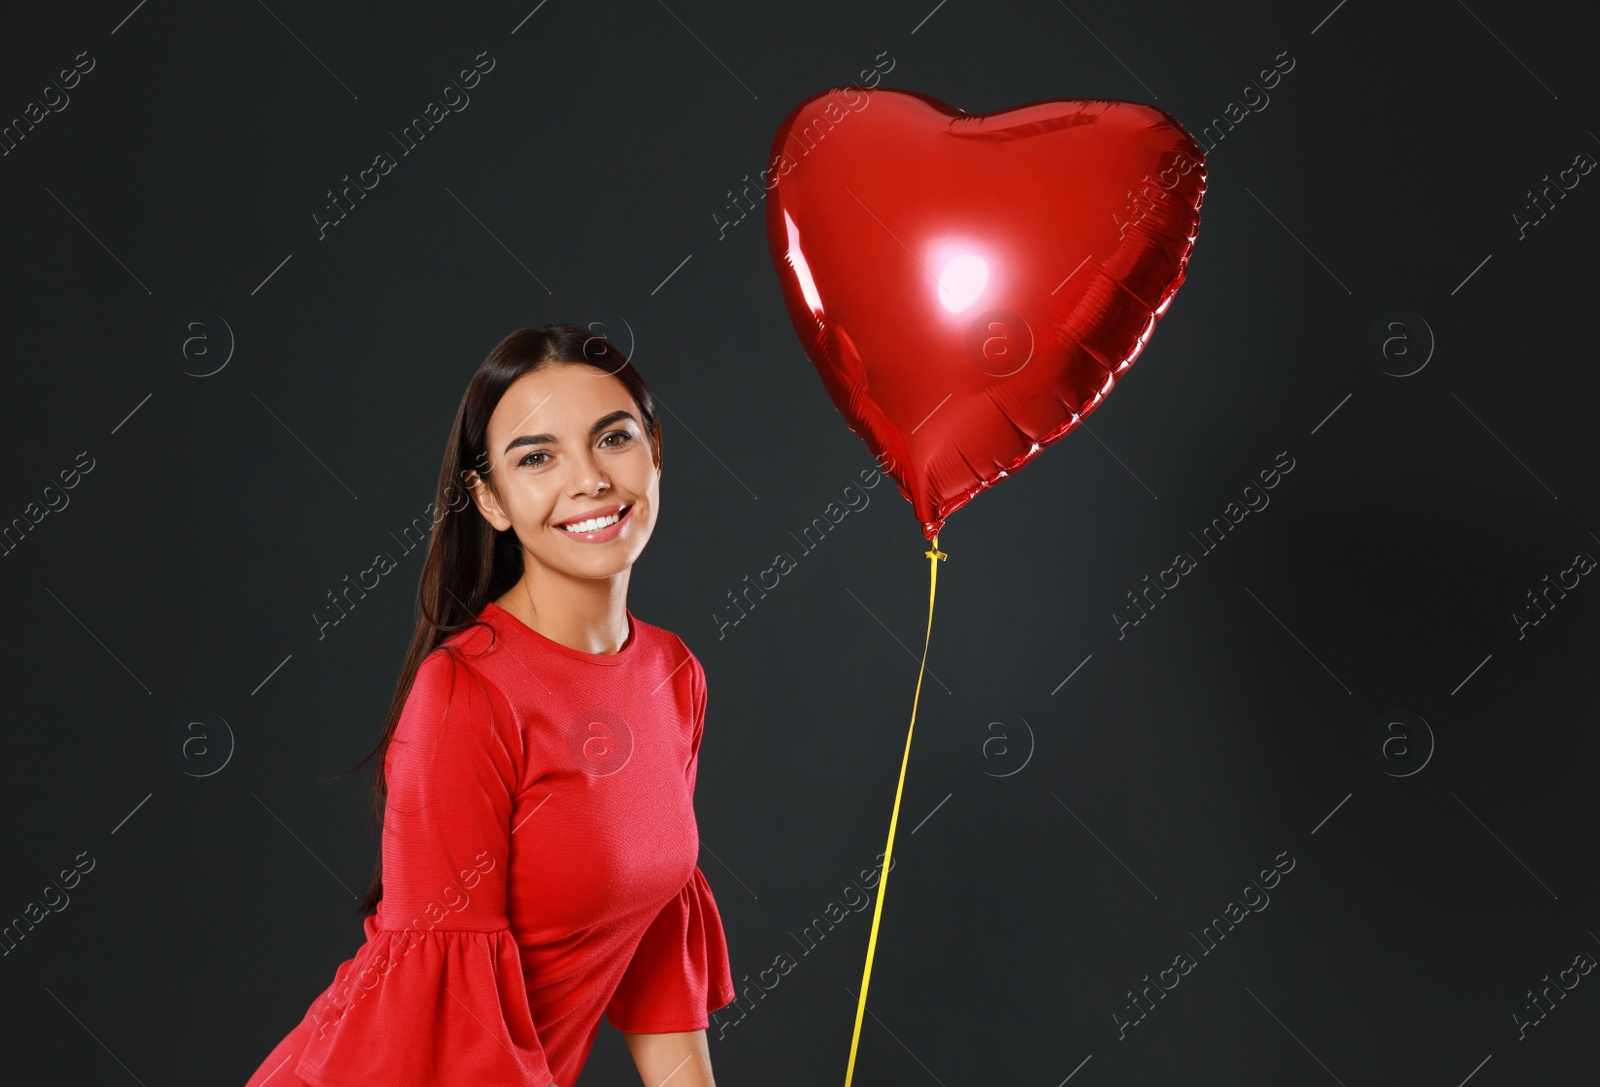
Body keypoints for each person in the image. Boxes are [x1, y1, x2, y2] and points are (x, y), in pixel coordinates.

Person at [242, 324, 736, 1087]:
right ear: (491, 500)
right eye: (537, 456)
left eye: (614, 438)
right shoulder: (465, 693)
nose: (590, 480)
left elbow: (652, 934)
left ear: (656, 451)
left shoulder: (673, 674)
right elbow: (447, 1022)